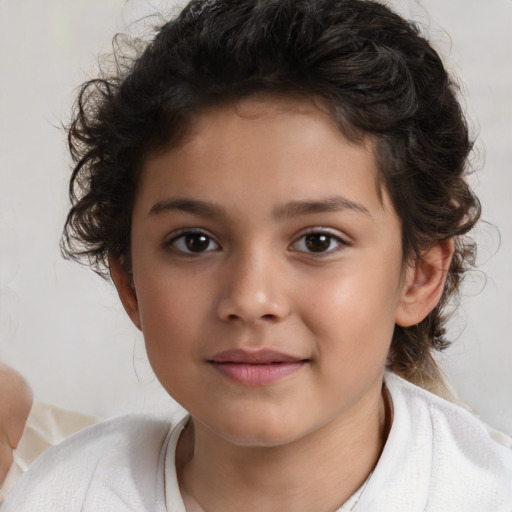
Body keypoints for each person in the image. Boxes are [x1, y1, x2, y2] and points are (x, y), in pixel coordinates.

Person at [2, 0, 511, 510]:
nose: (251, 299)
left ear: (419, 276)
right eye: (195, 241)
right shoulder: (65, 494)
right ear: (130, 283)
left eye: (318, 241)